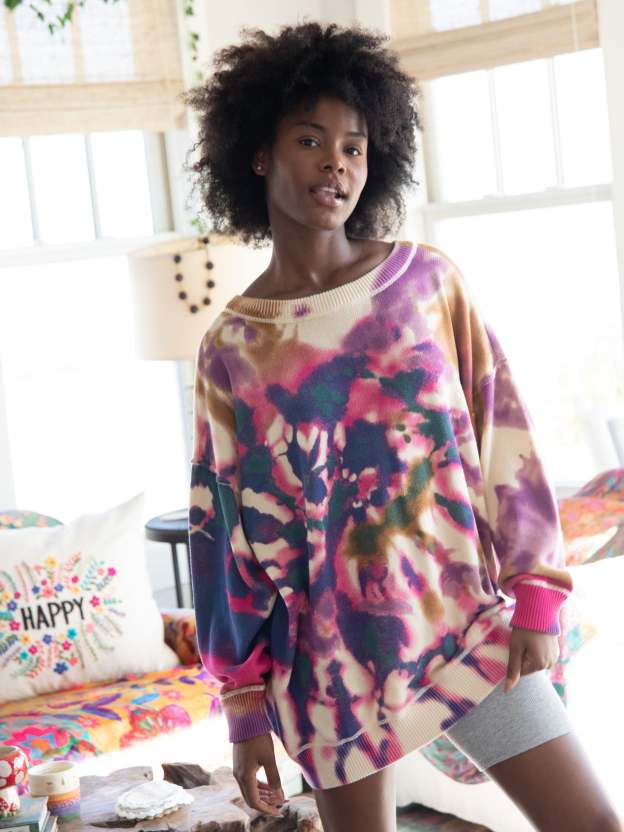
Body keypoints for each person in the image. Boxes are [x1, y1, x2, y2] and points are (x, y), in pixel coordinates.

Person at [183, 21, 621, 832]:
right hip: (330, 671)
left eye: (354, 146)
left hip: (465, 626)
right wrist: (242, 706)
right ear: (258, 154)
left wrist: (536, 589)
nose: (336, 163)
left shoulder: (426, 282)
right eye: (310, 140)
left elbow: (504, 434)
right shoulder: (232, 349)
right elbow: (226, 537)